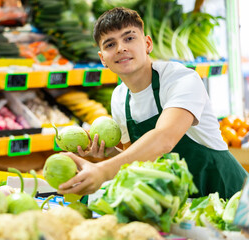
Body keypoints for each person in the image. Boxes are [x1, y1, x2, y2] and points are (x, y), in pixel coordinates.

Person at [57, 7, 247, 199]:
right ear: (102, 58)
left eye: (129, 38)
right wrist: (111, 152)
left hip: (231, 197)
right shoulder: (120, 98)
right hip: (184, 207)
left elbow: (164, 138)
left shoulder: (181, 79)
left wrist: (103, 171)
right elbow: (139, 162)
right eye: (110, 44)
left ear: (147, 44)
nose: (121, 48)